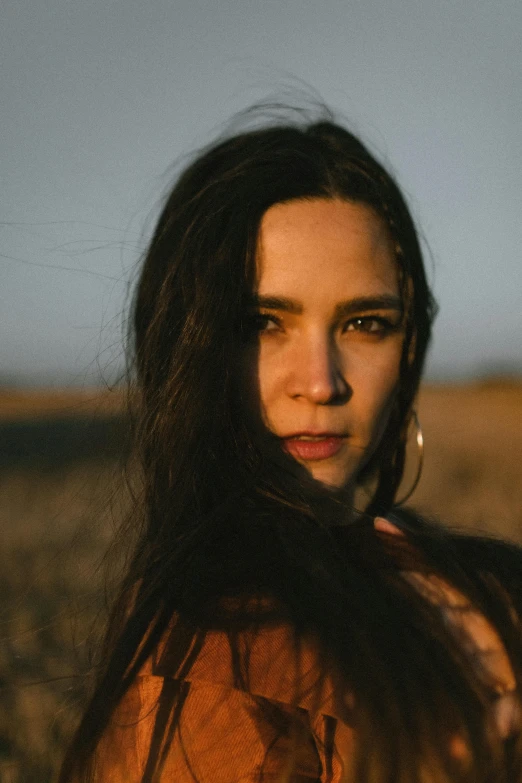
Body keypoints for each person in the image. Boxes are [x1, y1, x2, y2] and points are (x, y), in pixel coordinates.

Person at [59, 106, 522, 783]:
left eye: (365, 322)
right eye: (262, 322)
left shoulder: (456, 575)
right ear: (189, 343)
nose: (321, 382)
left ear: (410, 341)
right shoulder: (215, 664)